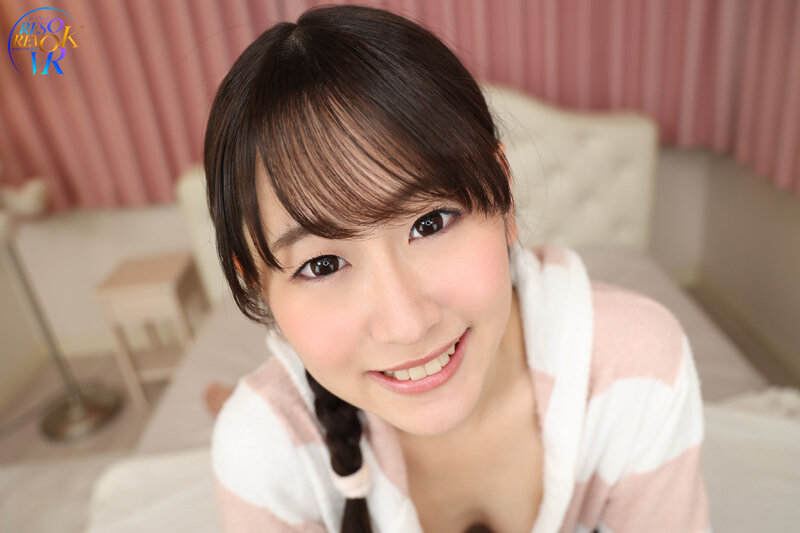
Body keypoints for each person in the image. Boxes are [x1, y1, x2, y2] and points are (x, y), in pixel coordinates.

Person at [204, 5, 710, 533]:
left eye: (430, 223)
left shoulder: (636, 369)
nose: (407, 325)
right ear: (256, 284)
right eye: (323, 264)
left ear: (504, 196)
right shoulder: (263, 450)